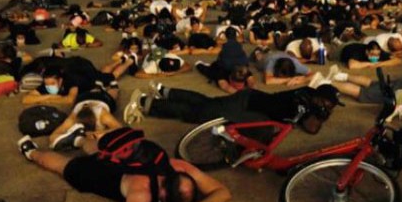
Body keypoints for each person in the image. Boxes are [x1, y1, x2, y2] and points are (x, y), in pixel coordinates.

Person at [16, 133, 230, 202]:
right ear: (164, 195)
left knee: (98, 152)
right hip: (100, 176)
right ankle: (30, 150)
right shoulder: (142, 190)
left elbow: (223, 192)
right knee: (65, 165)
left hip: (121, 166)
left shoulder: (182, 168)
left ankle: (80, 139)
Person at [124, 84, 343, 136]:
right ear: (319, 99)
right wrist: (319, 114)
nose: (329, 109)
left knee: (206, 103)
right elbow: (311, 128)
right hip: (245, 105)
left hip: (250, 102)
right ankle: (145, 103)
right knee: (198, 114)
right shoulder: (302, 101)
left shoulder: (308, 100)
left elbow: (310, 126)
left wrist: (320, 112)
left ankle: (164, 90)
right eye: (328, 105)